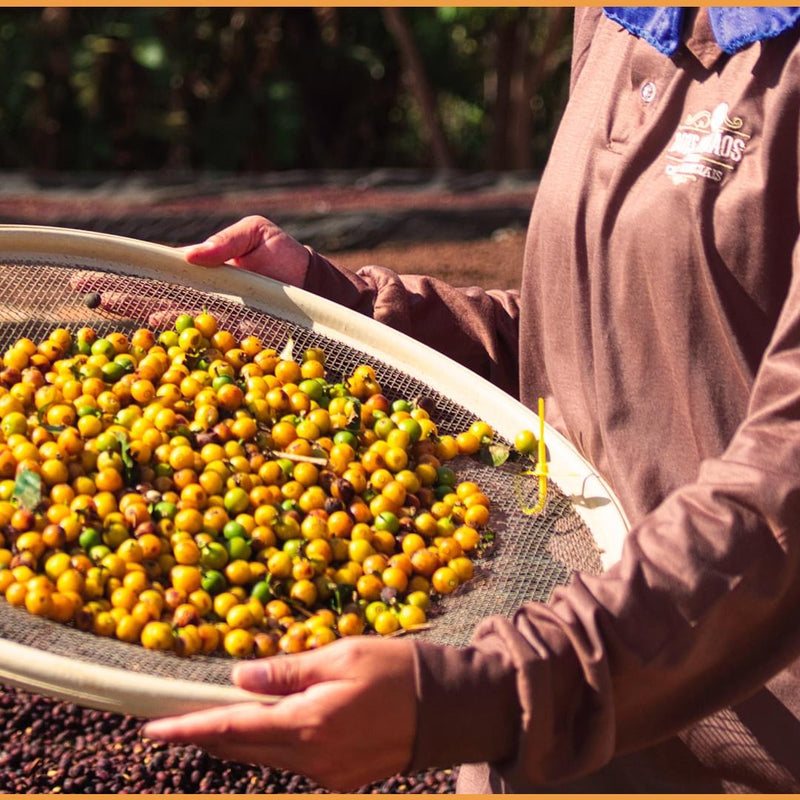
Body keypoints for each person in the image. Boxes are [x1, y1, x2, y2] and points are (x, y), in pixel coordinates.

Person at [142, 7, 800, 792]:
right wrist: (335, 310)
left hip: (744, 737)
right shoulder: (617, 22)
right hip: (560, 730)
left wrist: (487, 692)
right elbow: (578, 343)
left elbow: (781, 492)